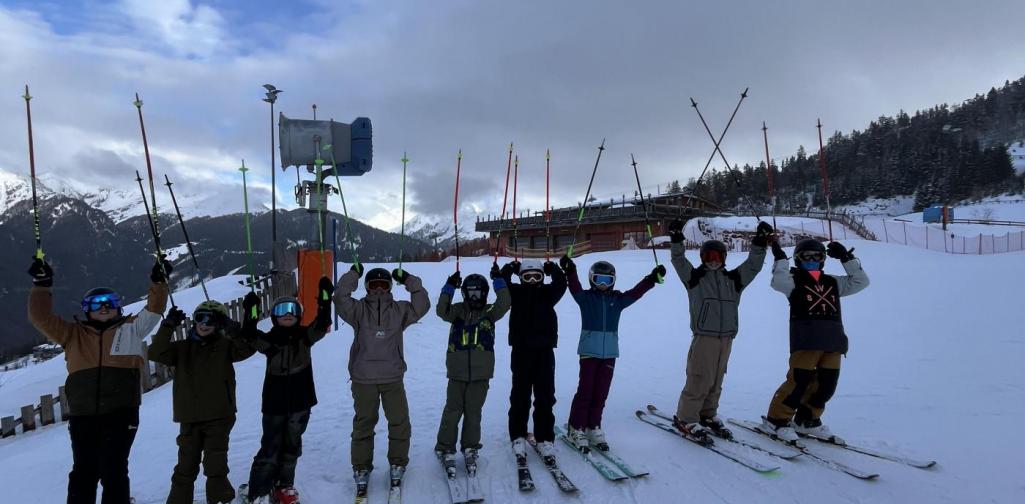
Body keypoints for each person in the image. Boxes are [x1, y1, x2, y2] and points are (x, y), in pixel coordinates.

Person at [27, 255, 170, 504]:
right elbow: (40, 318)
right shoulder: (72, 334)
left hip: (121, 413)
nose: (103, 307)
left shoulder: (132, 329)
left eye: (110, 302)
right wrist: (42, 285)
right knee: (84, 471)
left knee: (113, 469)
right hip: (83, 415)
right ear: (86, 309)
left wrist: (158, 282)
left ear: (119, 307)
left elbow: (155, 308)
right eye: (96, 304)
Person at [669, 219, 771, 441]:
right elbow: (678, 260)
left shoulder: (733, 279)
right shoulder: (694, 278)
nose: (713, 261)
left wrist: (760, 242)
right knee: (699, 378)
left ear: (724, 258)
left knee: (716, 379)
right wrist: (677, 239)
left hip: (727, 338)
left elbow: (753, 265)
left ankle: (707, 414)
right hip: (704, 337)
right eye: (708, 257)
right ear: (702, 259)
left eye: (717, 257)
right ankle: (686, 417)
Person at [760, 238, 870, 444]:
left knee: (826, 384)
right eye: (806, 257)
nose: (812, 260)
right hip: (806, 339)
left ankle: (807, 419)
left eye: (817, 256)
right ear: (798, 259)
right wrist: (781, 260)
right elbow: (778, 282)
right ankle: (777, 420)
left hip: (833, 341)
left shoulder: (833, 282)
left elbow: (861, 282)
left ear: (824, 260)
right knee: (799, 381)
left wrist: (847, 258)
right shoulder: (793, 279)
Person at [148, 300, 256, 504]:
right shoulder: (182, 349)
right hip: (189, 416)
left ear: (219, 324)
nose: (204, 324)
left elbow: (247, 349)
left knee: (216, 465)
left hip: (219, 415)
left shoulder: (225, 346)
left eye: (211, 320)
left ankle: (220, 499)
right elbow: (156, 352)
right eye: (200, 318)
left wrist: (234, 330)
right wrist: (168, 326)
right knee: (185, 466)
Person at [333, 265, 430, 490]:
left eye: (383, 285)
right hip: (363, 379)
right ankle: (361, 466)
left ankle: (397, 463)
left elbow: (422, 304)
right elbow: (340, 297)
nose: (378, 289)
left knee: (399, 423)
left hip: (392, 378)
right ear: (367, 288)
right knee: (363, 425)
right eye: (373, 285)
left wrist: (407, 279)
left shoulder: (400, 310)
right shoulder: (357, 311)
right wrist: (353, 275)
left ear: (389, 288)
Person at [239, 278, 333, 504]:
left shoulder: (305, 337)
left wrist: (325, 300)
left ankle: (284, 486)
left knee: (292, 446)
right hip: (275, 404)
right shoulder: (270, 340)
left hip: (301, 403)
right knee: (270, 447)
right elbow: (250, 336)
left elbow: (322, 324)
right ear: (274, 316)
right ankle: (259, 490)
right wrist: (250, 312)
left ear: (299, 315)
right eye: (282, 310)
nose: (288, 314)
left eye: (292, 309)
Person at [561, 256, 663, 452]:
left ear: (613, 281)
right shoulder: (585, 299)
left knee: (600, 393)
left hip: (609, 353)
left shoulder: (617, 301)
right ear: (592, 279)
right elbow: (574, 287)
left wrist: (651, 279)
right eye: (598, 279)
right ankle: (576, 427)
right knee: (586, 392)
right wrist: (570, 270)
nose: (602, 284)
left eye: (606, 281)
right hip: (589, 352)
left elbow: (636, 293)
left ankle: (593, 426)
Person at [433, 265, 511, 469]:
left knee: (473, 411)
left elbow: (505, 302)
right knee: (452, 410)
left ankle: (470, 446)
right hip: (457, 372)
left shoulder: (490, 313)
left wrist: (499, 281)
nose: (475, 297)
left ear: (485, 293)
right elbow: (441, 310)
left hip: (481, 373)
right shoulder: (457, 311)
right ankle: (445, 446)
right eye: (471, 292)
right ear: (465, 293)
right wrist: (449, 287)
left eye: (479, 292)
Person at [500, 258, 567, 463]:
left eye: (536, 276)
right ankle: (518, 435)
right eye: (526, 277)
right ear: (520, 278)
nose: (531, 280)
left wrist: (553, 269)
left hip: (544, 352)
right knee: (520, 395)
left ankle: (545, 438)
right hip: (521, 351)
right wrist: (508, 269)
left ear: (542, 277)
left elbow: (561, 284)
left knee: (545, 396)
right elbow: (502, 285)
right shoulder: (515, 294)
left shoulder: (548, 294)